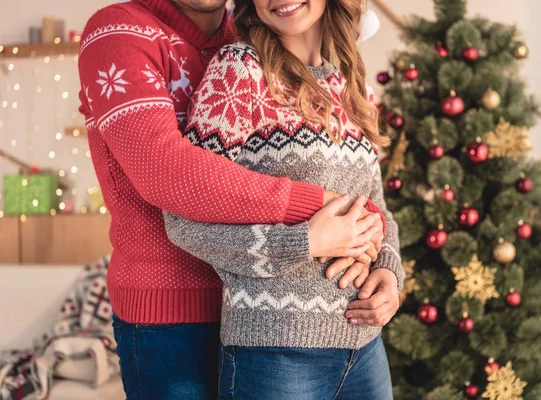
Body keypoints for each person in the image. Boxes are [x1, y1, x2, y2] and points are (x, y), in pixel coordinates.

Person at [77, 0, 400, 398]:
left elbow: (372, 200)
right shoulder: (121, 31)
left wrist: (387, 266)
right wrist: (318, 213)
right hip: (175, 315)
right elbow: (162, 170)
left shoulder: (262, 37)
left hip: (314, 324)